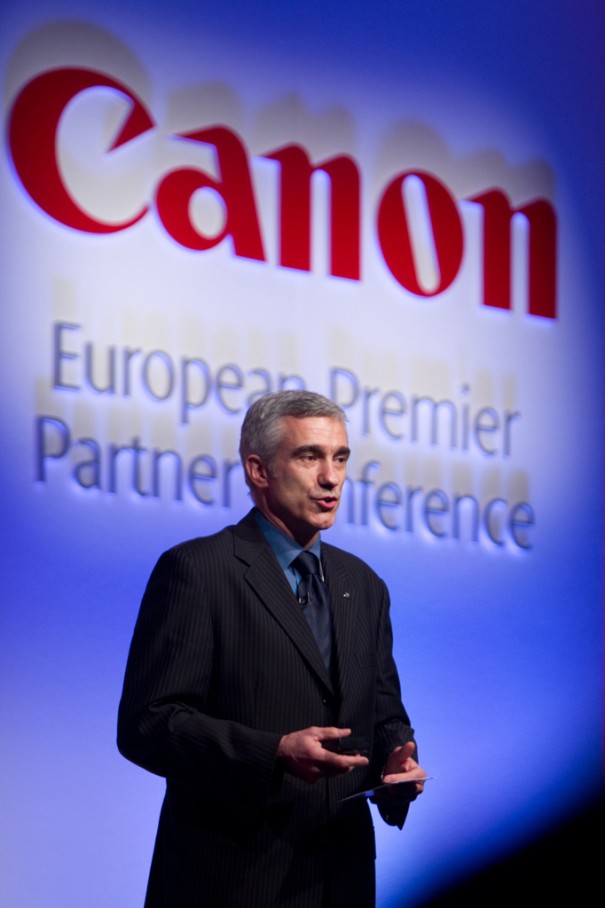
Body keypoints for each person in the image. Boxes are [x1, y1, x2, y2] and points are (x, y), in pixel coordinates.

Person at [118, 390, 425, 908]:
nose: (331, 477)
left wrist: (396, 765)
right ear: (259, 471)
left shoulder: (364, 585)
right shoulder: (199, 571)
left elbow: (385, 714)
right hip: (231, 882)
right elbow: (148, 725)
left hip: (341, 880)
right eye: (309, 457)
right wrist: (275, 753)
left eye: (340, 458)